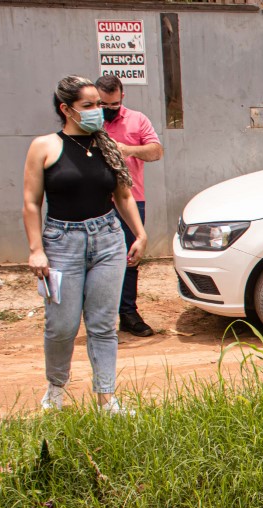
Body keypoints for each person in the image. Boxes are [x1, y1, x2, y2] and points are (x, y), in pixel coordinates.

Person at [22, 76, 147, 413]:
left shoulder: (106, 145)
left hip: (108, 239)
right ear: (66, 109)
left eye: (100, 105)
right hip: (62, 243)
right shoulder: (44, 146)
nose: (98, 112)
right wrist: (36, 249)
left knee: (103, 324)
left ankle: (107, 398)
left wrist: (139, 233)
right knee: (61, 325)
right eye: (89, 106)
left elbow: (122, 193)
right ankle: (56, 389)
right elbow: (31, 203)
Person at [96, 74, 163, 337]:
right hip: (96, 200)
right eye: (102, 105)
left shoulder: (137, 119)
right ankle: (100, 316)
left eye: (113, 105)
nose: (108, 111)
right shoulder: (87, 122)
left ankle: (128, 313)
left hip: (131, 200)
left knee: (130, 258)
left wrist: (129, 149)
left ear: (122, 97)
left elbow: (157, 151)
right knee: (97, 260)